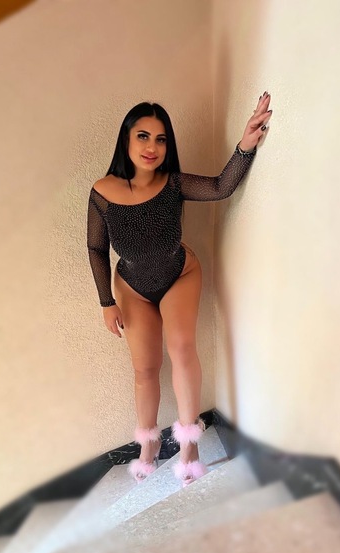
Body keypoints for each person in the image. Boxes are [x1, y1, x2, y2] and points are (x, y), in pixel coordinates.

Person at [87, 92, 272, 487]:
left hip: (179, 274)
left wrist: (245, 145)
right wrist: (106, 302)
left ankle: (189, 446)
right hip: (132, 286)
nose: (152, 147)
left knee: (183, 349)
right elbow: (96, 248)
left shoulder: (173, 183)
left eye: (161, 139)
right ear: (126, 139)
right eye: (143, 136)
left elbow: (221, 187)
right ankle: (149, 444)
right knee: (144, 369)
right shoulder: (102, 192)